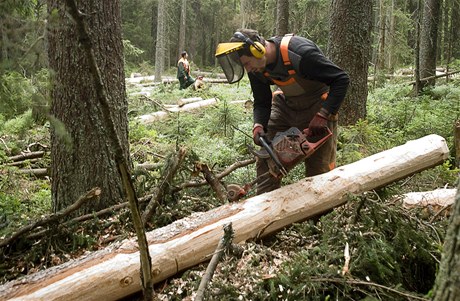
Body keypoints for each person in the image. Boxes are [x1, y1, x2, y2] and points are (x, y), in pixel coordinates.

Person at [215, 29, 349, 194]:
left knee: (319, 168)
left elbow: (341, 79)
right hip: (287, 105)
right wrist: (258, 125)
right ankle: (263, 204)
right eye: (244, 66)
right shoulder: (256, 67)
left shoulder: (299, 53)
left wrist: (323, 114)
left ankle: (320, 213)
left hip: (317, 106)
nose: (248, 70)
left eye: (247, 64)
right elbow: (262, 101)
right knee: (266, 156)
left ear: (257, 49)